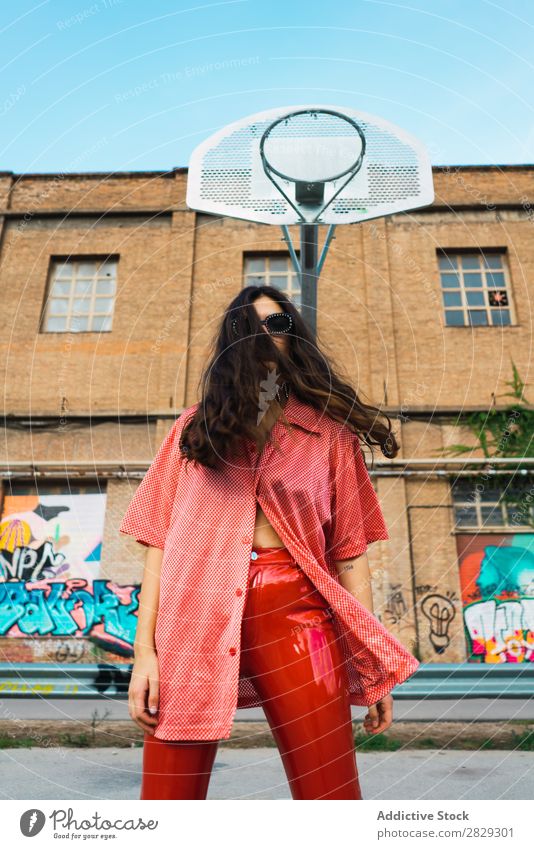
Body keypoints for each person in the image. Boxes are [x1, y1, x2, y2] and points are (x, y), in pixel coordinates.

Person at [119, 285, 420, 800]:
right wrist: (144, 654)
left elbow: (350, 554)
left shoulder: (330, 436)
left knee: (331, 795)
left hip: (300, 615)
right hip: (193, 615)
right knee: (169, 799)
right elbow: (158, 546)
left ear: (292, 339)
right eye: (251, 326)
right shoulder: (192, 432)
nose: (265, 336)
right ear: (233, 342)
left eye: (277, 324)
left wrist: (369, 669)